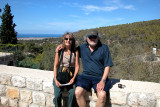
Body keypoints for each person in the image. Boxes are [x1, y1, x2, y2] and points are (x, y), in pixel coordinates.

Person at [75, 29, 113, 107]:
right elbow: (69, 49)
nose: (92, 38)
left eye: (94, 37)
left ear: (98, 38)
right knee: (77, 92)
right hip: (85, 76)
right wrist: (61, 47)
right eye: (90, 37)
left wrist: (103, 81)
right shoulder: (82, 48)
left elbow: (107, 66)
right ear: (86, 38)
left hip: (99, 77)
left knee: (102, 95)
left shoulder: (104, 48)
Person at [53, 32, 79, 107]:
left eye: (70, 39)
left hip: (71, 74)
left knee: (72, 94)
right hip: (60, 73)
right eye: (66, 39)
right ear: (63, 40)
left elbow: (77, 66)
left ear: (72, 41)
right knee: (57, 96)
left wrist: (73, 78)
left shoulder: (75, 51)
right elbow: (56, 65)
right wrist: (55, 79)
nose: (68, 40)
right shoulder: (59, 51)